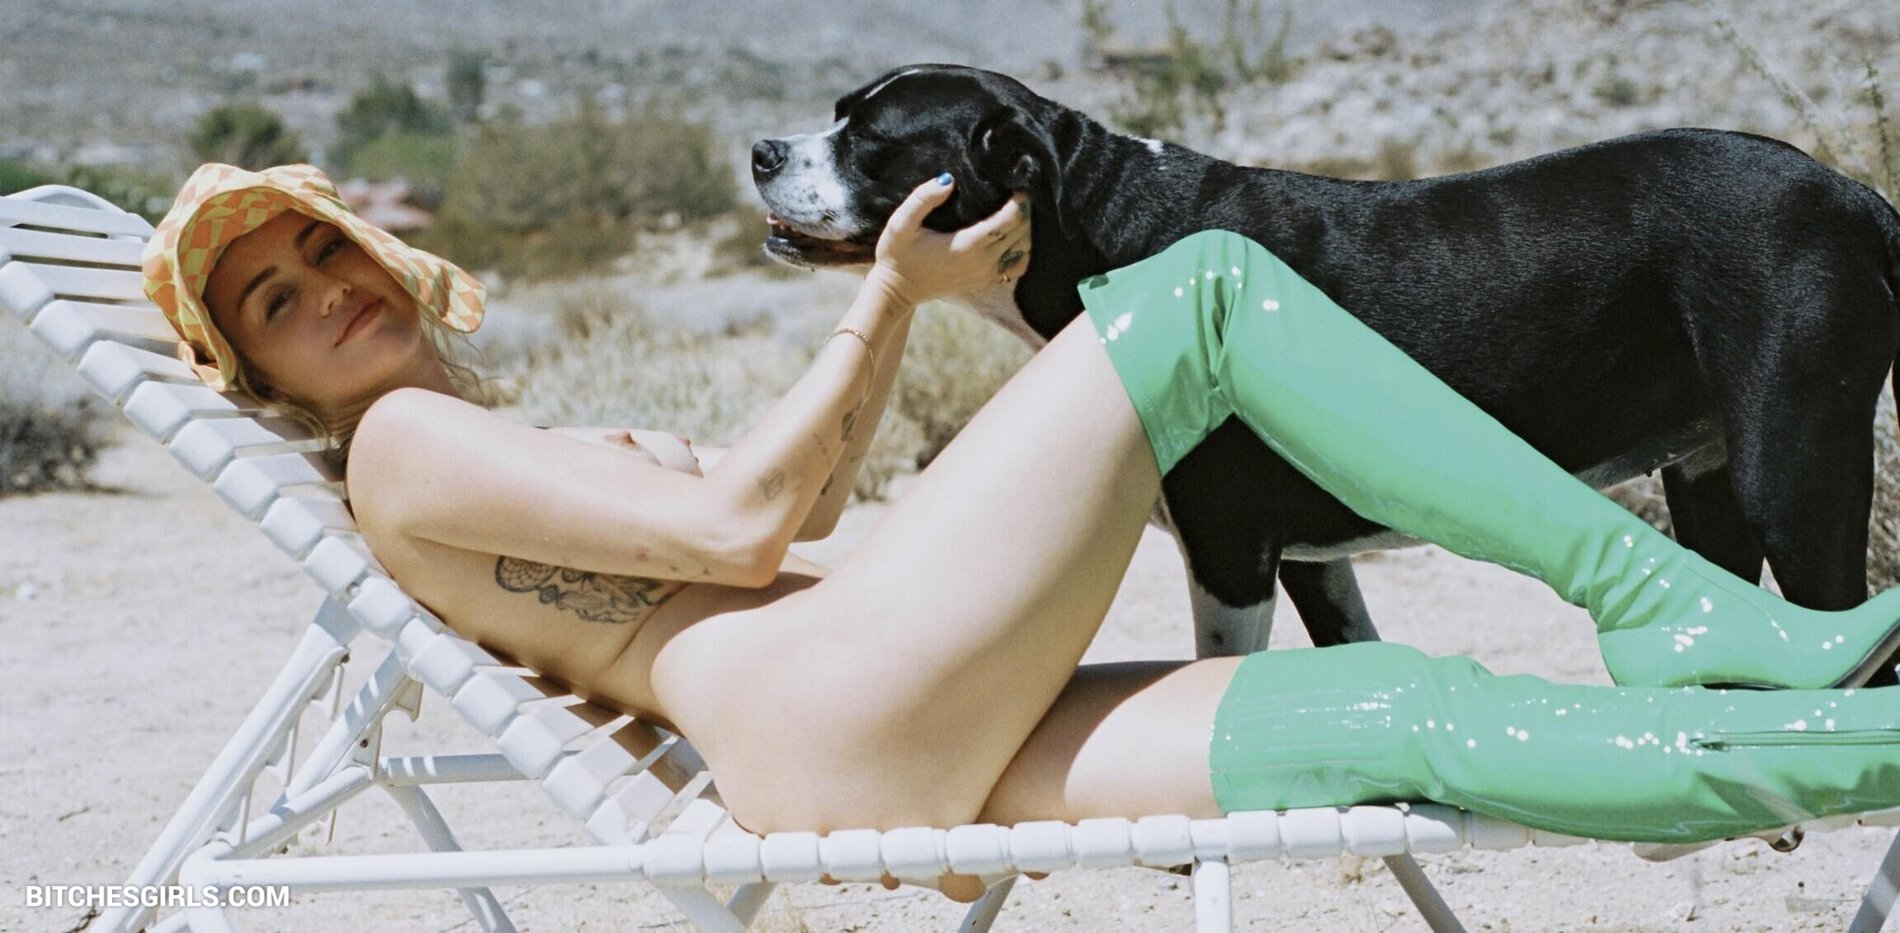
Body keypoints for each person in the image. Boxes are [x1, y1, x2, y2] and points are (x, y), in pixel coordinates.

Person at [142, 162, 1900, 868]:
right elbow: (748, 526)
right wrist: (889, 294)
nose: (326, 290)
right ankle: (1663, 599)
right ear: (263, 375)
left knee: (1397, 710)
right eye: (278, 303)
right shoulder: (397, 448)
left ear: (374, 247)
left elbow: (791, 506)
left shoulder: (451, 442)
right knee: (1202, 295)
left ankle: (1866, 744)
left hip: (865, 739)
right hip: (832, 688)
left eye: (321, 249)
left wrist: (889, 364)